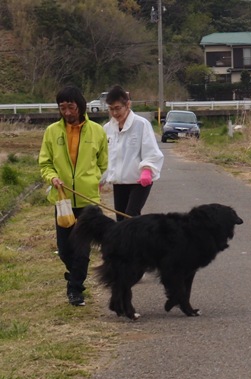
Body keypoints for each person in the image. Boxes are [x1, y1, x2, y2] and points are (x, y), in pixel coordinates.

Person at [39, 85, 109, 306]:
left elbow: (103, 163)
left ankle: (75, 289)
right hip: (63, 200)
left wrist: (92, 179)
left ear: (80, 106)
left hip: (88, 201)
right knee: (64, 249)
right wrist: (52, 178)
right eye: (63, 108)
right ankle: (74, 273)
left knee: (81, 249)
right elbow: (45, 163)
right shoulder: (51, 132)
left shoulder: (97, 131)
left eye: (71, 107)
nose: (67, 112)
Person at [102, 85, 164, 221]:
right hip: (119, 181)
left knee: (131, 216)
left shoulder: (141, 124)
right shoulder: (107, 129)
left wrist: (147, 170)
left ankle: (136, 242)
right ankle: (126, 243)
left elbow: (151, 151)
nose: (115, 113)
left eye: (118, 108)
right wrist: (101, 179)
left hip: (139, 181)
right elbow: (107, 157)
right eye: (111, 109)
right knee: (120, 218)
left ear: (128, 104)